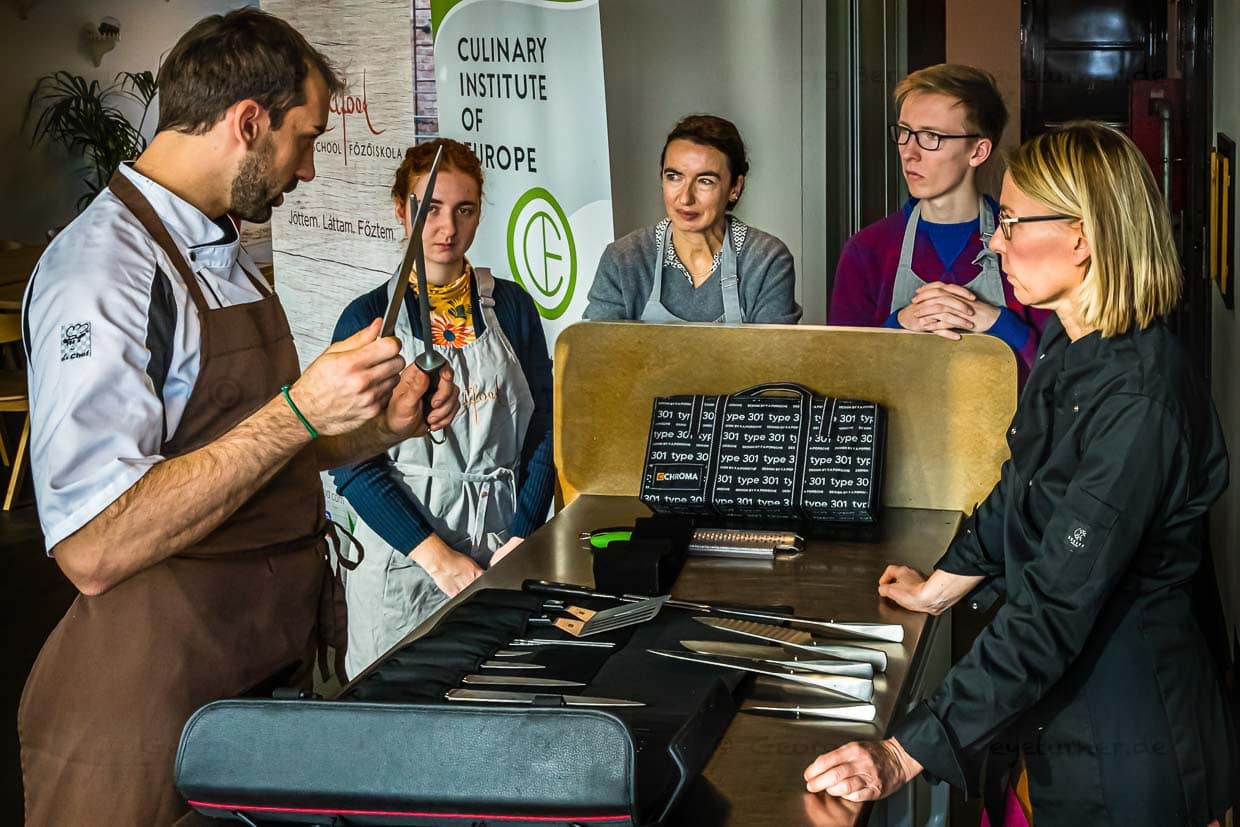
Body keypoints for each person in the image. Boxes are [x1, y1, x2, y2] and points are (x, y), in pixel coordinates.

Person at [17, 10, 459, 825]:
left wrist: (379, 425)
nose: (313, 169)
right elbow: (93, 543)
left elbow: (248, 452)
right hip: (154, 712)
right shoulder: (103, 270)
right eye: (308, 138)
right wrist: (298, 408)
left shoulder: (225, 252)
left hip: (259, 677)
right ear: (248, 121)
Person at [804, 122, 1233, 827]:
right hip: (1055, 713)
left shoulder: (1139, 399)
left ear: (1085, 236)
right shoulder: (1069, 338)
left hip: (1130, 744)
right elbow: (1022, 485)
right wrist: (939, 586)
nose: (993, 242)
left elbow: (1056, 606)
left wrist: (901, 754)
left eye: (1009, 221)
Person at [331, 139, 555, 677]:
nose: (446, 228)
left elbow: (547, 432)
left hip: (500, 551)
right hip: (404, 562)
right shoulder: (366, 320)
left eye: (464, 209)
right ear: (401, 209)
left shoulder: (513, 308)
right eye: (429, 208)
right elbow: (351, 462)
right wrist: (435, 555)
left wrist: (523, 536)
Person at [829, 64, 1047, 385]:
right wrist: (899, 326)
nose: (909, 153)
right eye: (904, 132)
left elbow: (1061, 374)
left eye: (932, 136)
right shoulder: (867, 250)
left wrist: (998, 322)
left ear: (978, 150)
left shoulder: (1025, 242)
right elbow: (838, 373)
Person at [585, 114, 801, 324]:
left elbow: (774, 358)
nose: (685, 197)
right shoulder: (624, 260)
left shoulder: (764, 260)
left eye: (705, 181)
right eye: (674, 177)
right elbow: (598, 354)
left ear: (735, 187)